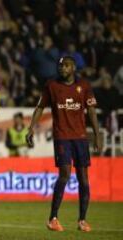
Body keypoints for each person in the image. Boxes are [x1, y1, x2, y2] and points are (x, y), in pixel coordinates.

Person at [26, 56, 102, 232]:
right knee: (65, 175)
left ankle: (82, 220)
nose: (62, 68)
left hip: (81, 138)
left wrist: (97, 135)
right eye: (60, 66)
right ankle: (53, 218)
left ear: (73, 67)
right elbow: (40, 107)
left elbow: (91, 110)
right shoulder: (51, 86)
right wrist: (31, 128)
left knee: (83, 178)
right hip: (62, 136)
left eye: (66, 66)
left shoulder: (84, 85)